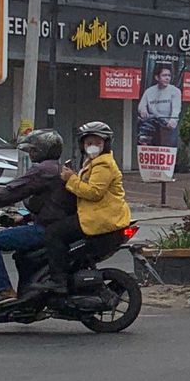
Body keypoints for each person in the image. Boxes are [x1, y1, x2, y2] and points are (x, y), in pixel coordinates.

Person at [0, 129, 75, 306]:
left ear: (43, 150)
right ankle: (28, 294)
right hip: (55, 225)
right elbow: (53, 204)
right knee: (21, 255)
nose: (30, 153)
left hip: (45, 229)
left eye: (33, 149)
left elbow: (13, 191)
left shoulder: (42, 170)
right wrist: (23, 218)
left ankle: (3, 290)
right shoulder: (58, 169)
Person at [41, 121, 131, 294]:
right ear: (82, 145)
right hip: (97, 215)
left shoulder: (103, 165)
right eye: (89, 143)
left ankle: (58, 280)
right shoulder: (93, 163)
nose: (93, 146)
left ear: (106, 144)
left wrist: (71, 179)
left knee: (53, 233)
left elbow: (94, 192)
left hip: (101, 218)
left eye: (98, 142)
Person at [136, 63, 183, 148]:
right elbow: (141, 106)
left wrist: (173, 120)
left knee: (168, 150)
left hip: (167, 125)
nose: (167, 78)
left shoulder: (175, 91)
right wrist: (143, 110)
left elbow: (176, 108)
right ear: (157, 77)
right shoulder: (149, 91)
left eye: (169, 75)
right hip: (152, 124)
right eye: (164, 75)